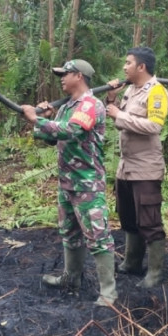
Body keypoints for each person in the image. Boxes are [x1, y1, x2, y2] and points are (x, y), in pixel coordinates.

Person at [21, 59, 117, 306]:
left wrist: (37, 120)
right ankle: (71, 279)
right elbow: (53, 138)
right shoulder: (66, 106)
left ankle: (108, 292)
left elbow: (72, 130)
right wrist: (45, 119)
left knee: (97, 236)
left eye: (65, 74)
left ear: (79, 76)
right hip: (67, 182)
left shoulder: (90, 104)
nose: (62, 78)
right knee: (70, 233)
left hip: (87, 184)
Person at [105, 47, 168, 288]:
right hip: (126, 167)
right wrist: (112, 100)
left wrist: (119, 115)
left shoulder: (157, 92)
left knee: (149, 221)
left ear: (141, 67)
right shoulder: (130, 90)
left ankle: (155, 273)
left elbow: (154, 126)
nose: (124, 67)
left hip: (146, 168)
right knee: (129, 217)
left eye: (128, 63)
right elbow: (120, 122)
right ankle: (132, 262)